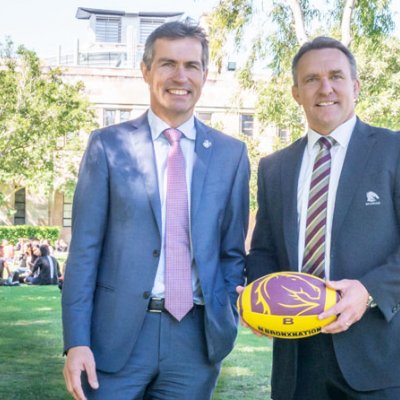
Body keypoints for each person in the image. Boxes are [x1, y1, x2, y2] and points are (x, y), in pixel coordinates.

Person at [62, 19, 249, 400]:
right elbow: (84, 252)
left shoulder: (232, 154)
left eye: (191, 66)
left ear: (205, 74)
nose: (180, 76)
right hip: (115, 338)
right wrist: (76, 341)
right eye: (167, 64)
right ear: (146, 70)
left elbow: (232, 250)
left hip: (195, 342)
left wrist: (224, 313)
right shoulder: (108, 146)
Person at [245, 36, 400, 399]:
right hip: (297, 363)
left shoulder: (393, 151)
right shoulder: (274, 167)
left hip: (377, 357)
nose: (325, 88)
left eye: (336, 76)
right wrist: (259, 294)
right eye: (311, 79)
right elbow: (264, 250)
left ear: (355, 86)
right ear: (296, 92)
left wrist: (368, 290)